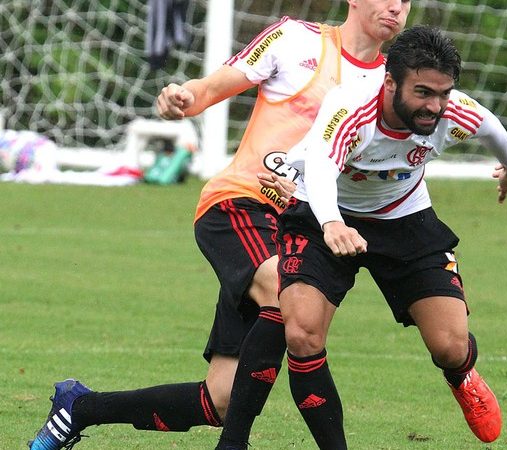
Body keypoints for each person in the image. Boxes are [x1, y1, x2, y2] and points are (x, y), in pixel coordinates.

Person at [27, 2, 411, 450]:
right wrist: (185, 97)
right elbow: (210, 88)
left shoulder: (396, 87)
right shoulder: (295, 38)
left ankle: (80, 408)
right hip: (240, 205)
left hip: (298, 227)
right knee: (286, 293)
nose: (396, 6)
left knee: (223, 399)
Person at [274, 24, 507, 449]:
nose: (435, 106)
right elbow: (319, 164)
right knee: (302, 333)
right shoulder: (352, 107)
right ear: (390, 81)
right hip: (324, 213)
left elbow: (492, 130)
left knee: (449, 345)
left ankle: (462, 376)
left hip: (405, 217)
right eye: (423, 92)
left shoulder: (452, 111)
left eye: (443, 93)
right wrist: (332, 223)